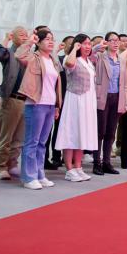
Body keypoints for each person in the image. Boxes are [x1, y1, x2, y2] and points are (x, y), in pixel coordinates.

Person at [15, 29, 63, 190]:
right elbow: (19, 55)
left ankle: (39, 174)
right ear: (39, 42)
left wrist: (57, 106)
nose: (51, 41)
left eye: (52, 39)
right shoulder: (33, 57)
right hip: (35, 103)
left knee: (42, 143)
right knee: (32, 141)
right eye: (47, 39)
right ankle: (28, 177)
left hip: (50, 104)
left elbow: (56, 85)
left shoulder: (53, 60)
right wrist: (30, 41)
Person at [55, 34, 97, 181]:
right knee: (71, 133)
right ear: (78, 45)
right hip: (75, 100)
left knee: (82, 134)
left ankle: (78, 166)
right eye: (84, 44)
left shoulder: (89, 62)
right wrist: (74, 49)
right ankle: (69, 169)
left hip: (88, 101)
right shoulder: (71, 58)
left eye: (89, 44)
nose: (88, 46)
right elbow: (69, 64)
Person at [0, 26, 28, 180]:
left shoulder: (29, 54)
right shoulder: (9, 52)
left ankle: (12, 164)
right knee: (6, 136)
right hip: (11, 98)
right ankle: (1, 166)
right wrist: (6, 39)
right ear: (13, 37)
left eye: (26, 35)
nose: (25, 37)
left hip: (25, 99)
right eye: (21, 34)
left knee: (19, 137)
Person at [90, 31, 125, 176]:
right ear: (107, 42)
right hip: (102, 97)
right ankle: (96, 163)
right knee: (100, 131)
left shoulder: (121, 59)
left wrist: (125, 102)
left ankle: (107, 163)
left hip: (116, 97)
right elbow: (89, 57)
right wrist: (97, 47)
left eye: (117, 40)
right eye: (112, 40)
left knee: (111, 132)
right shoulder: (100, 56)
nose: (115, 43)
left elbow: (124, 83)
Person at [46, 35, 75, 169]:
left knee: (62, 130)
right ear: (63, 45)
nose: (72, 46)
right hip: (56, 99)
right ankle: (48, 158)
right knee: (49, 129)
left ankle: (60, 157)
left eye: (74, 43)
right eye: (69, 43)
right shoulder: (58, 59)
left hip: (70, 100)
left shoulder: (77, 61)